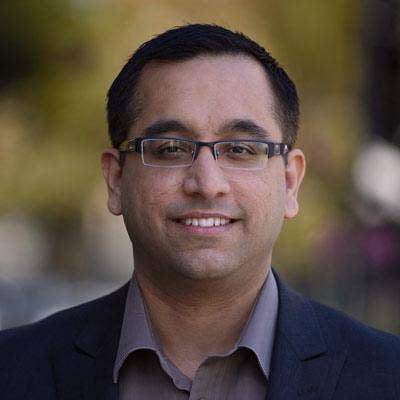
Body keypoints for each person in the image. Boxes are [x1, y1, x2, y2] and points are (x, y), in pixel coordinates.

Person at [1, 24, 399, 400]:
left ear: (290, 181)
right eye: (170, 148)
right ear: (116, 179)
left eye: (241, 149)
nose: (207, 184)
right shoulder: (12, 371)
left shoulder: (387, 376)